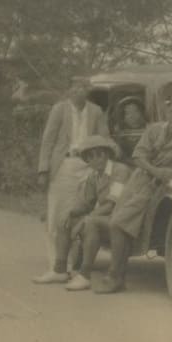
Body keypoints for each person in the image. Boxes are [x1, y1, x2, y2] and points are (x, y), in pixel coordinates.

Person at [94, 93, 172, 294]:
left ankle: (115, 276)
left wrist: (166, 173)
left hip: (163, 186)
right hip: (139, 180)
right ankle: (118, 276)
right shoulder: (154, 130)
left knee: (118, 224)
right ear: (167, 112)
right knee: (117, 223)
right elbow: (138, 156)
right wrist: (156, 170)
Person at [32, 135, 133, 290]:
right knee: (64, 218)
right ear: (87, 161)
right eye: (91, 157)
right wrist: (72, 213)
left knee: (90, 222)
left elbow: (112, 204)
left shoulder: (120, 170)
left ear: (107, 154)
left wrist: (86, 218)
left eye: (100, 154)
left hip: (121, 220)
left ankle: (84, 275)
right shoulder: (94, 176)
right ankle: (59, 270)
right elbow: (86, 203)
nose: (96, 160)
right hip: (104, 218)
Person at [35, 76, 109, 278]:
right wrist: (43, 169)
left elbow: (104, 138)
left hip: (88, 165)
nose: (79, 91)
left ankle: (74, 264)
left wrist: (102, 161)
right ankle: (55, 266)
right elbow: (48, 140)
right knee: (58, 213)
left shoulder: (96, 111)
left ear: (88, 91)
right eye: (75, 87)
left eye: (84, 88)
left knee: (82, 211)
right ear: (69, 90)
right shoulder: (59, 109)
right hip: (64, 164)